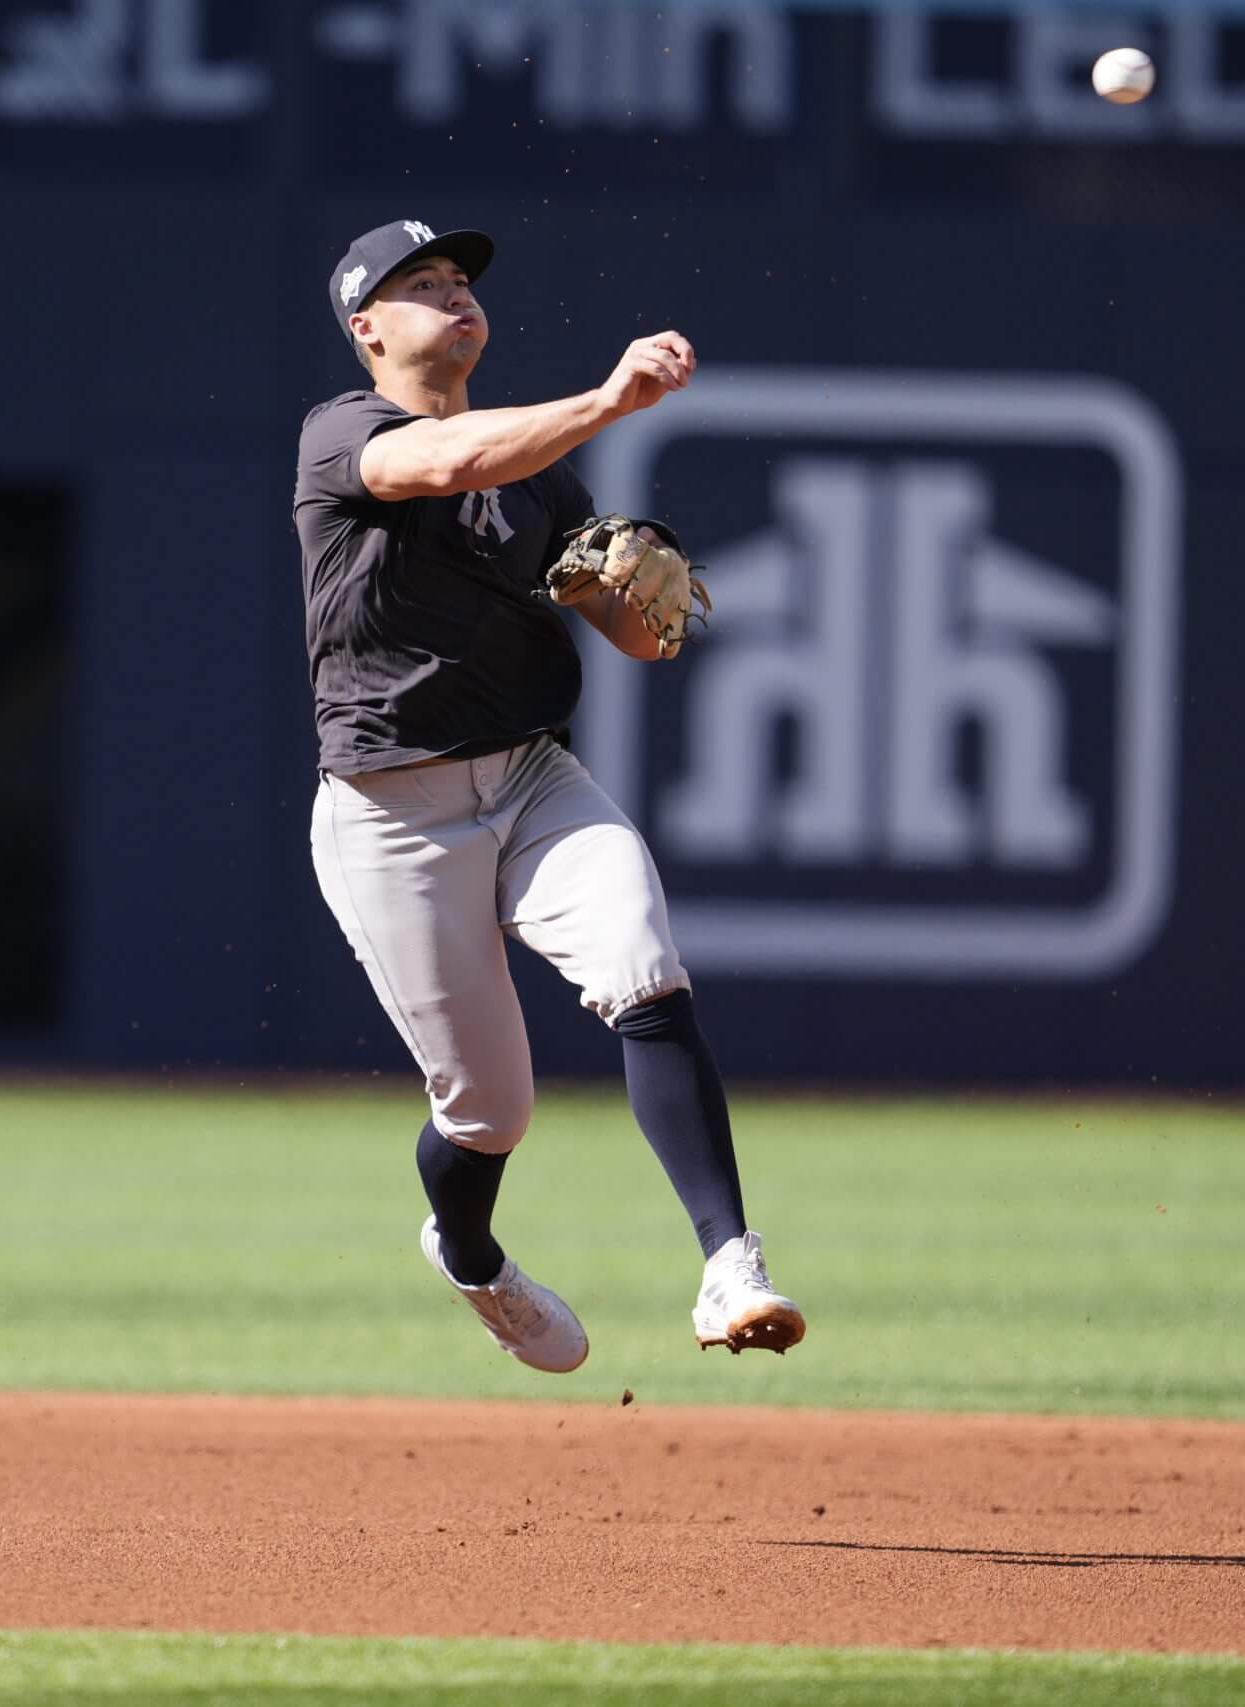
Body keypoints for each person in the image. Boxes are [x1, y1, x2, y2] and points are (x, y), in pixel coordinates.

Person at [291, 218, 804, 1372]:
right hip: (391, 816)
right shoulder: (341, 433)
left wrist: (641, 597)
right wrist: (613, 400)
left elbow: (636, 635)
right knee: (489, 1113)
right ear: (367, 329)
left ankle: (730, 1264)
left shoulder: (537, 482)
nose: (453, 295)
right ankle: (471, 1259)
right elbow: (446, 463)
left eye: (462, 279)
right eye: (419, 285)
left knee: (645, 972)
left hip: (529, 777)